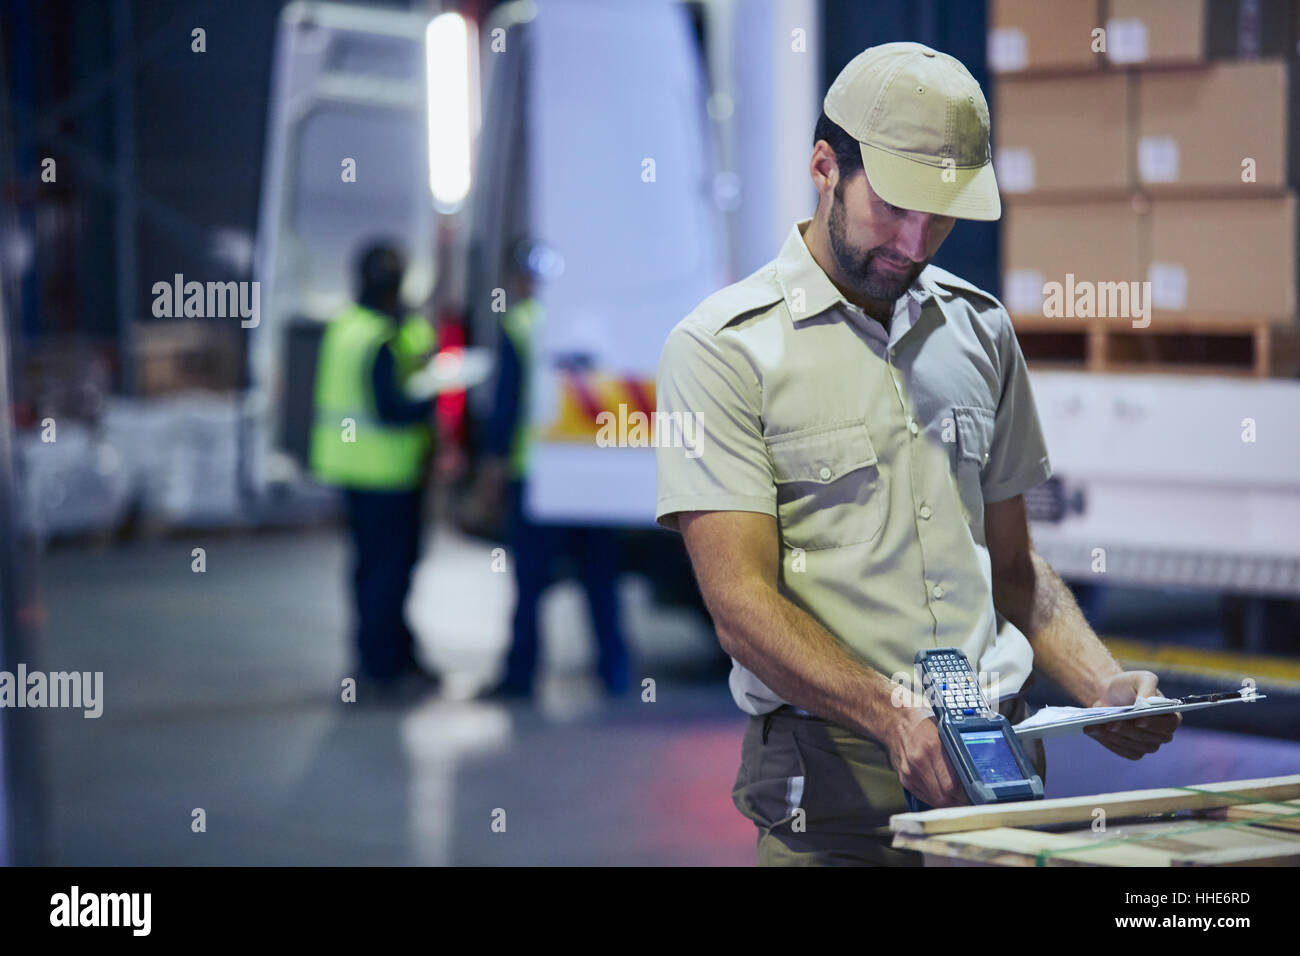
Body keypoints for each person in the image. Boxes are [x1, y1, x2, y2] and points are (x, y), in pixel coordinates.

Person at [654, 42, 1181, 866]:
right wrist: (889, 712)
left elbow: (1012, 569)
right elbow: (739, 603)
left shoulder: (980, 332)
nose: (915, 240)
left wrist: (1101, 685)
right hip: (831, 791)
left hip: (999, 776)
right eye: (894, 208)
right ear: (825, 167)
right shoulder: (723, 351)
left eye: (940, 216)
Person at [476, 239, 630, 701]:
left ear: (523, 278)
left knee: (530, 582)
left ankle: (520, 676)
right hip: (593, 473)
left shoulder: (522, 324)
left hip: (539, 475)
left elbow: (505, 407)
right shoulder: (598, 321)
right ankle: (615, 671)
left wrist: (491, 470)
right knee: (600, 578)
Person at [310, 241, 442, 701]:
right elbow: (392, 409)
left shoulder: (349, 327)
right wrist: (433, 395)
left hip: (357, 473)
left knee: (376, 570)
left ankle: (388, 657)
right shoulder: (382, 337)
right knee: (389, 572)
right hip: (388, 473)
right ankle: (382, 667)